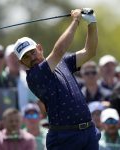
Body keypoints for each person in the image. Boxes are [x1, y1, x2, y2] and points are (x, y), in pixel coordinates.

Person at [13, 8, 99, 150]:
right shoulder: (35, 76)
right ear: (22, 63)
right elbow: (59, 50)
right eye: (26, 57)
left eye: (32, 52)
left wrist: (91, 23)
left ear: (39, 48)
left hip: (88, 132)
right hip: (64, 138)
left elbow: (90, 51)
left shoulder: (62, 62)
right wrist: (76, 21)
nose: (32, 58)